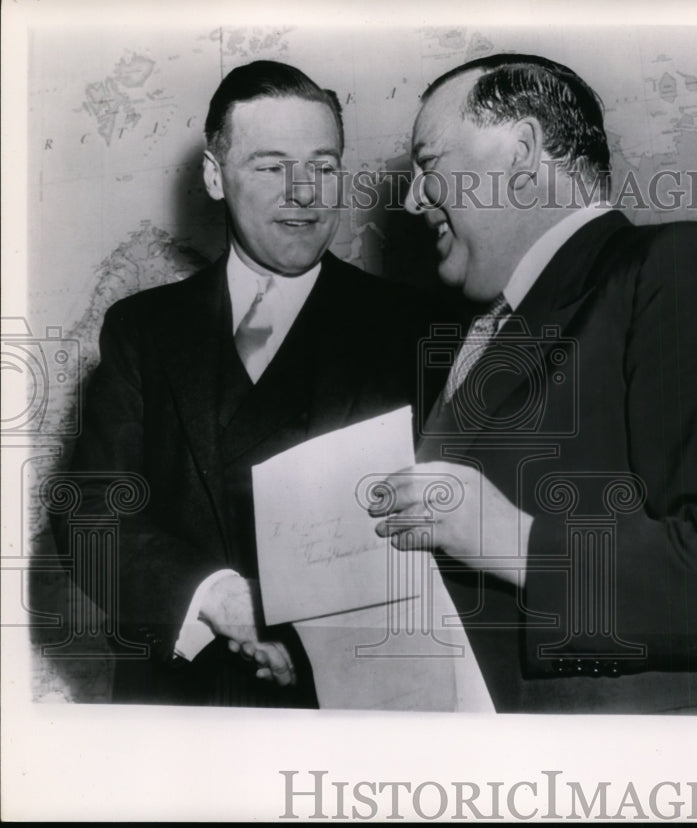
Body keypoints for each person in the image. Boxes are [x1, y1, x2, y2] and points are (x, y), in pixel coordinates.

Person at [372, 54, 697, 714]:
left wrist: (515, 540)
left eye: (430, 167)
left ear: (522, 152)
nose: (412, 199)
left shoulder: (680, 267)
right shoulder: (475, 341)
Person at [50, 60, 436, 707]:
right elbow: (90, 515)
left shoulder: (418, 329)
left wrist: (318, 641)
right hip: (177, 720)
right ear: (213, 175)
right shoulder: (141, 330)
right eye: (270, 165)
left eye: (324, 164)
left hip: (347, 717)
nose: (306, 192)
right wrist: (219, 598)